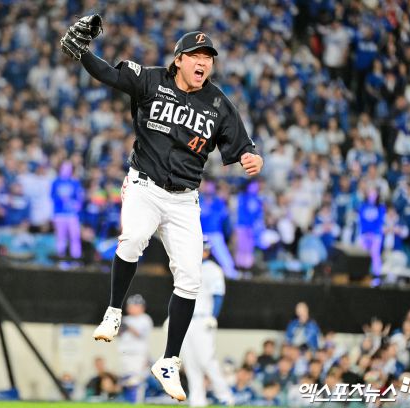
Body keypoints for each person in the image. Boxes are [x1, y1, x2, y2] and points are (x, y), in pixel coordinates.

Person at [60, 17, 263, 401]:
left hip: (185, 199)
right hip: (145, 186)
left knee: (190, 278)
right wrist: (83, 53)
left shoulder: (218, 103)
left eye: (209, 57)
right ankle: (114, 310)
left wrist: (253, 158)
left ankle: (169, 360)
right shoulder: (152, 80)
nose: (203, 62)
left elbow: (244, 146)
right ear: (179, 59)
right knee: (133, 237)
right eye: (196, 55)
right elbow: (108, 73)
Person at [182, 237, 234, 407]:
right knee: (190, 362)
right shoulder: (187, 266)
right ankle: (197, 401)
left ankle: (225, 396)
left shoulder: (213, 269)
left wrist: (213, 316)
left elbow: (218, 295)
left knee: (206, 360)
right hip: (187, 319)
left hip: (203, 319)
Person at [117, 294, 153, 403]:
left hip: (138, 354)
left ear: (141, 307)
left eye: (135, 305)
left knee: (136, 380)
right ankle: (128, 402)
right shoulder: (125, 318)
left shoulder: (145, 319)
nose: (131, 307)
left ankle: (137, 402)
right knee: (126, 379)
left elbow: (140, 334)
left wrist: (128, 326)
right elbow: (117, 334)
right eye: (130, 305)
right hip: (125, 353)